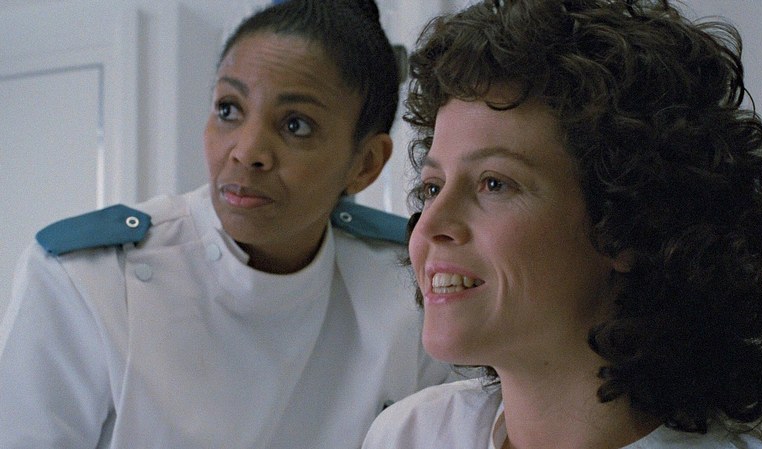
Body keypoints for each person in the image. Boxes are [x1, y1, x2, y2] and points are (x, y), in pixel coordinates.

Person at [0, 1, 449, 447]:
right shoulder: (88, 281)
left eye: (296, 125)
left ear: (365, 164)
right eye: (229, 109)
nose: (247, 151)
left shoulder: (407, 284)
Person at [363, 0, 762, 448]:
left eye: (494, 184)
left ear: (630, 225)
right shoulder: (410, 435)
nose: (429, 225)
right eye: (433, 187)